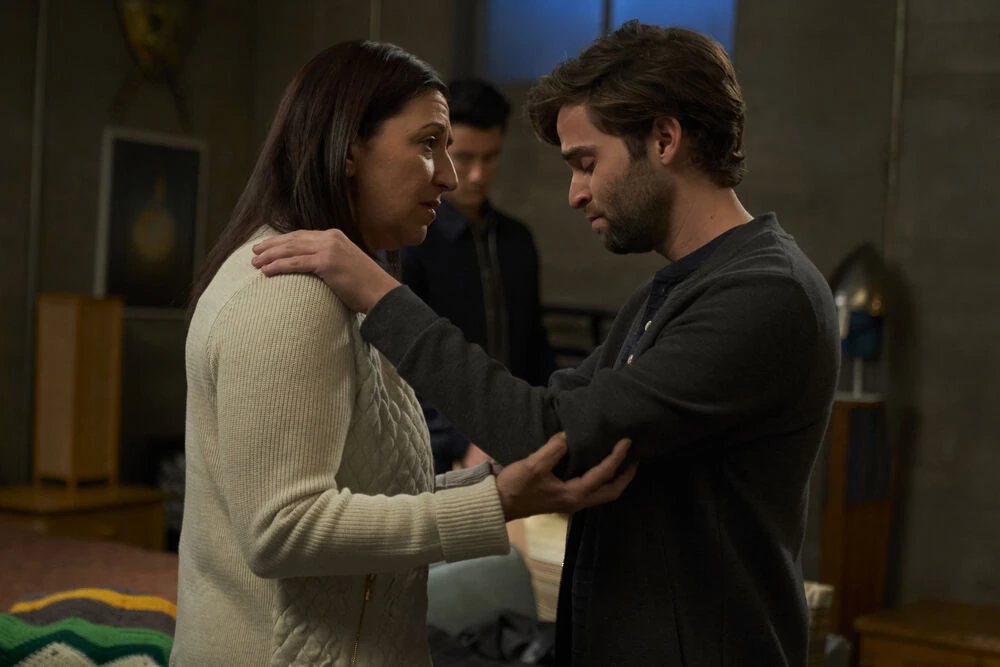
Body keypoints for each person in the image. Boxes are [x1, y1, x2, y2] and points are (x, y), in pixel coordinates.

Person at [253, 22, 841, 667]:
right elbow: (553, 417)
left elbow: (547, 435)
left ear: (664, 139)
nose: (575, 192)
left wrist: (380, 293)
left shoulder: (766, 293)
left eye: (587, 162)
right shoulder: (672, 290)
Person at [173, 40, 636, 667]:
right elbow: (283, 530)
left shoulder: (337, 285)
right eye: (428, 144)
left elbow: (371, 488)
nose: (450, 175)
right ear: (348, 150)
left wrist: (497, 484)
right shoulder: (291, 295)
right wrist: (495, 504)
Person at [401, 78, 556, 473]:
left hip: (519, 434)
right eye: (465, 157)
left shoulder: (517, 240)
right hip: (438, 447)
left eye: (489, 158)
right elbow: (403, 359)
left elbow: (534, 343)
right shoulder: (413, 240)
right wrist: (457, 440)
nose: (476, 174)